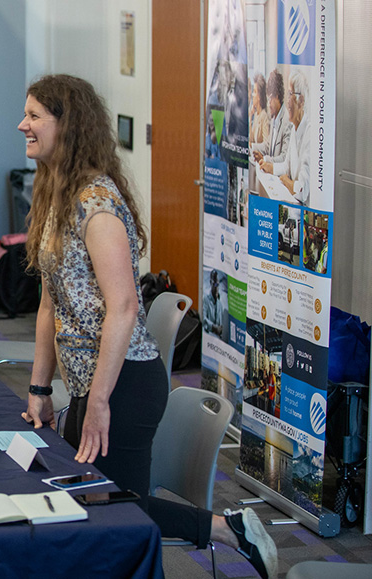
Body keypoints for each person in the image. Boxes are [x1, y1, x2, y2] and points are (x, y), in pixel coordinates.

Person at [16, 74, 277, 579]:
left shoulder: (97, 205)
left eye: (34, 116)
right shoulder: (53, 195)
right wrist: (38, 387)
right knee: (84, 499)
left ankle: (227, 528)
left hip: (125, 385)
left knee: (115, 511)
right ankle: (226, 528)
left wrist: (97, 403)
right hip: (91, 383)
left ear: (66, 126)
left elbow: (124, 309)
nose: (21, 124)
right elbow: (50, 302)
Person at [260, 71, 310, 206]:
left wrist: (287, 181)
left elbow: (302, 190)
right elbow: (286, 166)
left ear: (301, 101)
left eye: (290, 95)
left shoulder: (309, 134)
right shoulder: (295, 129)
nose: (286, 102)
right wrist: (271, 168)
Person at [252, 69, 290, 168]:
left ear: (277, 97)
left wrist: (264, 159)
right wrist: (252, 147)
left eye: (270, 99)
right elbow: (267, 146)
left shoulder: (287, 121)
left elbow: (284, 158)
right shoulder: (274, 119)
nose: (268, 104)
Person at [248, 73, 269, 155]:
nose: (252, 95)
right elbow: (251, 139)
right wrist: (250, 116)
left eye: (255, 92)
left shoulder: (264, 116)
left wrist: (252, 146)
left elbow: (266, 146)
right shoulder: (256, 115)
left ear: (259, 96)